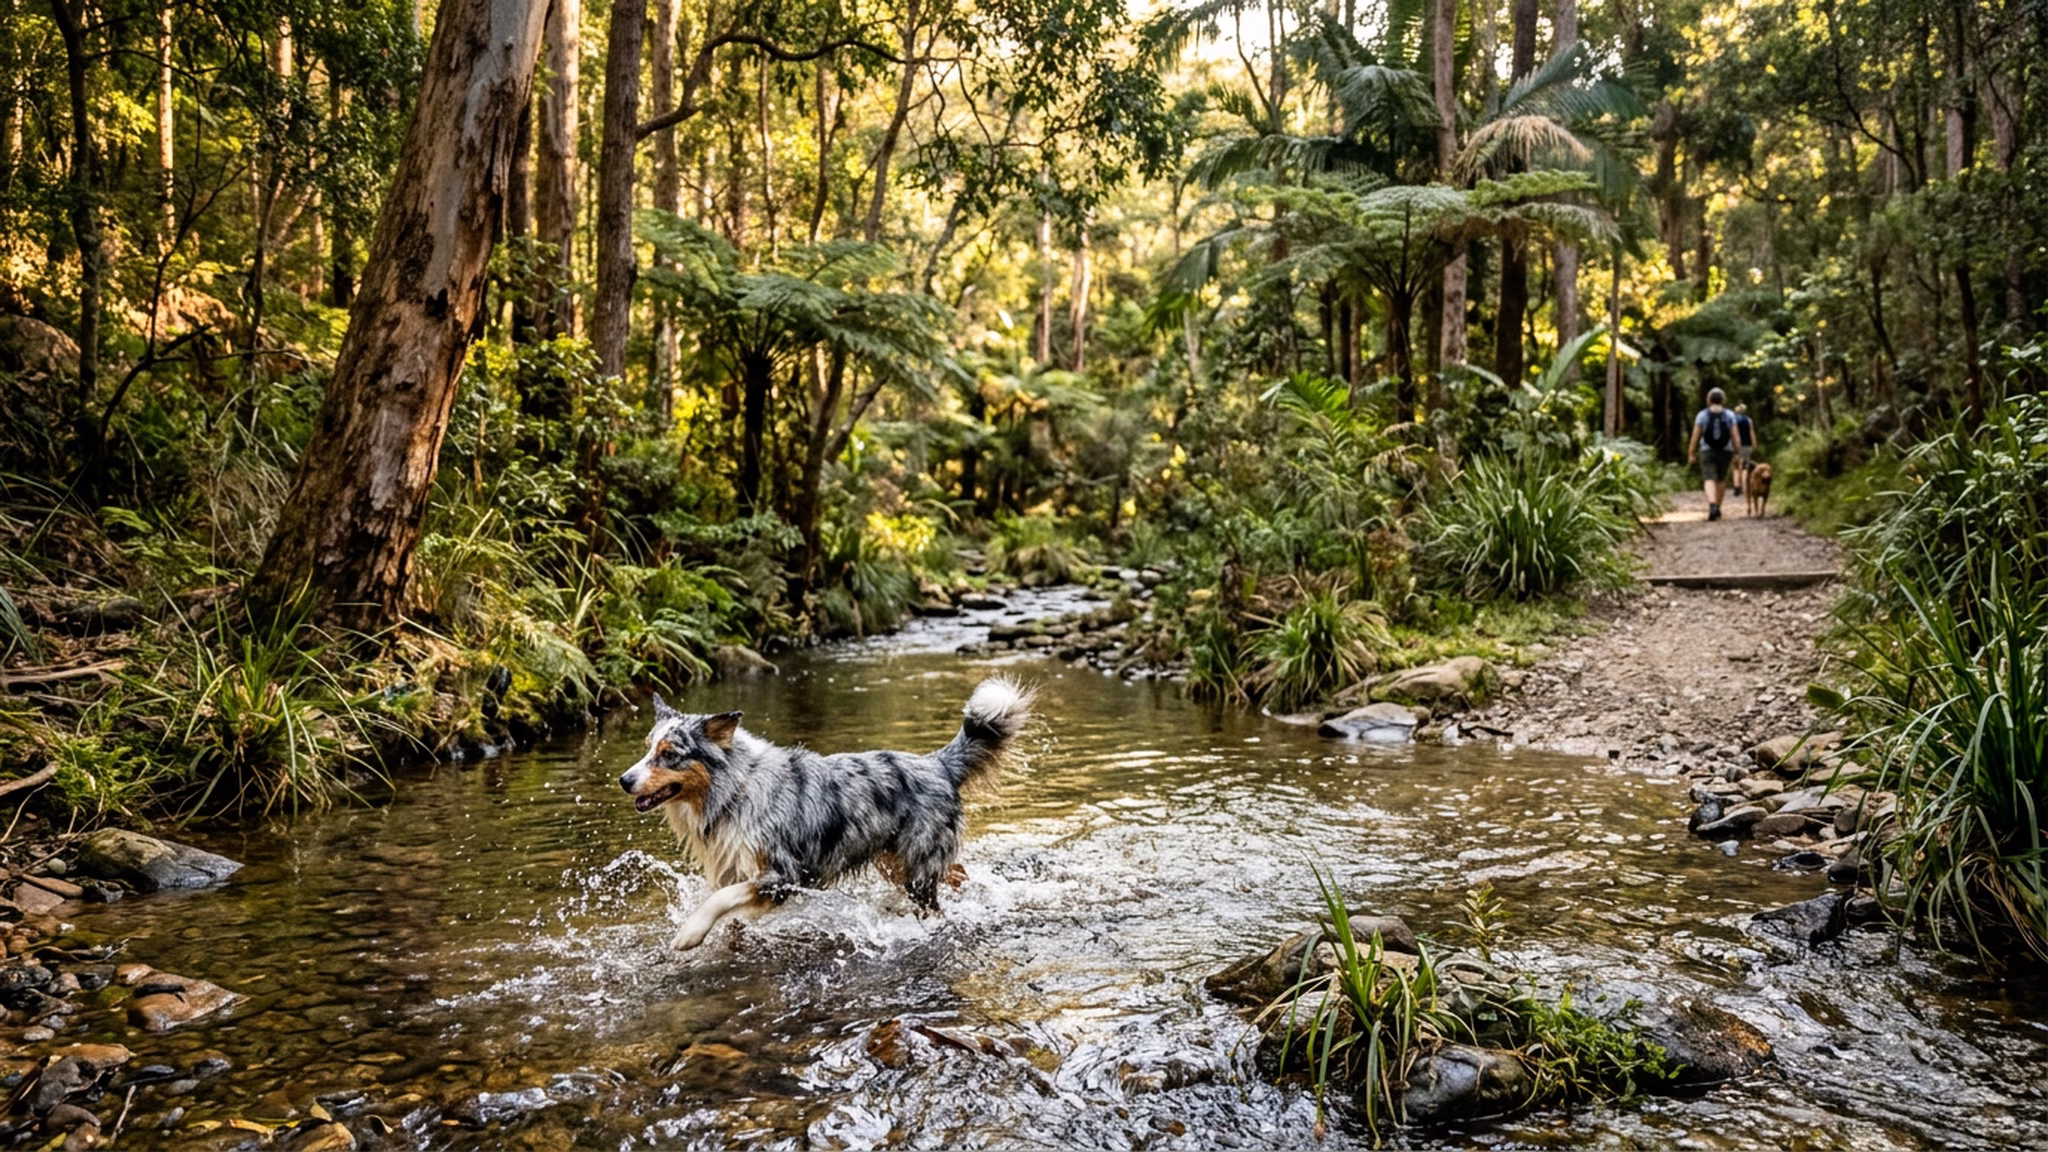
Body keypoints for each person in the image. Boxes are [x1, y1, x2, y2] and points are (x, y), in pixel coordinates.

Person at [1687, 387, 1737, 521]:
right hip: (1726, 450)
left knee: (1709, 478)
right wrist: (1737, 452)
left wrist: (1691, 452)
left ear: (1708, 400)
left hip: (1706, 450)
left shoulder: (1702, 415)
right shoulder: (1730, 415)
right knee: (1721, 479)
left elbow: (1695, 435)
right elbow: (1734, 435)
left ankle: (1712, 505)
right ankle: (1718, 507)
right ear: (1723, 400)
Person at [1730, 403, 1757, 495]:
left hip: (1736, 445)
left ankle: (1736, 485)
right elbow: (1751, 432)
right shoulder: (1749, 420)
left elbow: (1732, 433)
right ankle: (1744, 486)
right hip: (1747, 445)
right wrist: (1754, 444)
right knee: (1745, 466)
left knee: (1736, 467)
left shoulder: (1733, 420)